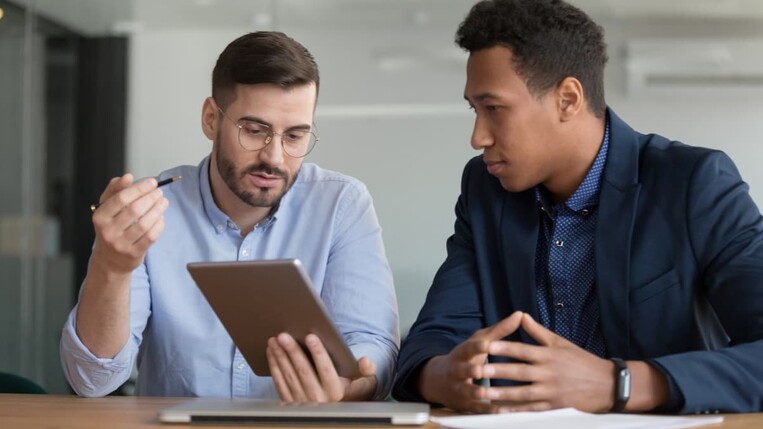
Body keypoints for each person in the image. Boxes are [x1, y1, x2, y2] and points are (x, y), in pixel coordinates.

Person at [393, 0, 763, 415]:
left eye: (493, 108)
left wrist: (617, 383)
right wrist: (447, 376)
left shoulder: (695, 183)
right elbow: (429, 342)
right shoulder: (485, 190)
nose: (478, 137)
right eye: (474, 110)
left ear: (568, 99)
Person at [61, 31, 399, 401]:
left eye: (295, 136)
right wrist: (112, 268)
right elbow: (92, 381)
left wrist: (348, 386)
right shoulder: (148, 210)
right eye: (254, 131)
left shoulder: (341, 204)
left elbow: (373, 345)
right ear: (210, 119)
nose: (274, 157)